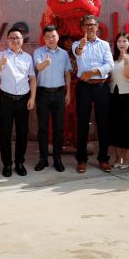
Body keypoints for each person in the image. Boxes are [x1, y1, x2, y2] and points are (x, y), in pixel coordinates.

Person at [72, 14, 114, 173]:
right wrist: (81, 46)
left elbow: (109, 64)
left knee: (103, 123)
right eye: (86, 25)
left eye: (92, 25)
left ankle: (103, 159)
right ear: (82, 28)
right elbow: (77, 53)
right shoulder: (77, 44)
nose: (89, 28)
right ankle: (81, 159)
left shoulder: (104, 45)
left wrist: (94, 72)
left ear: (97, 27)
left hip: (101, 87)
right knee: (82, 123)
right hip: (84, 87)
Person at [0, 27, 37, 177]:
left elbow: (32, 78)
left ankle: (19, 162)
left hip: (23, 100)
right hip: (6, 99)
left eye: (18, 37)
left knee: (22, 133)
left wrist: (32, 98)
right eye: (12, 38)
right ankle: (7, 164)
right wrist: (2, 62)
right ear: (7, 40)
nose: (15, 40)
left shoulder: (27, 57)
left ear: (22, 40)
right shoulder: (1, 54)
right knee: (5, 134)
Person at [33, 25, 73, 172]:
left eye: (53, 36)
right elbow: (38, 67)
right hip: (42, 93)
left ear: (57, 38)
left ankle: (57, 158)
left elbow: (68, 73)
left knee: (58, 128)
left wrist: (68, 93)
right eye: (48, 37)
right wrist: (45, 63)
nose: (51, 39)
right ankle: (43, 159)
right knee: (43, 128)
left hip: (59, 93)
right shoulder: (38, 52)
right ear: (44, 38)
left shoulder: (63, 54)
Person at [108, 32, 129, 169]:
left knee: (128, 126)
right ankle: (117, 157)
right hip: (113, 94)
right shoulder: (113, 58)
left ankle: (127, 158)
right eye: (119, 41)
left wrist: (126, 62)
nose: (122, 44)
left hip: (128, 95)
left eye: (124, 41)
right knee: (114, 126)